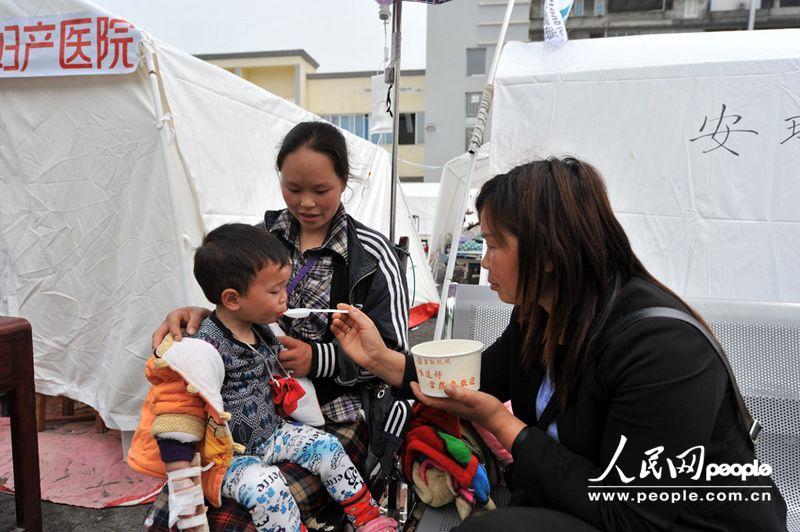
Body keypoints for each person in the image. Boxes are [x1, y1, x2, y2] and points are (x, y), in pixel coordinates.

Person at [329, 157, 788, 531]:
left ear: (545, 254)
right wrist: (380, 357)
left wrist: (504, 426)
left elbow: (632, 512)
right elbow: (474, 379)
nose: (483, 261)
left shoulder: (662, 349)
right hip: (585, 503)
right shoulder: (541, 314)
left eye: (492, 244)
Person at [148, 121, 409, 527]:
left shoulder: (373, 256)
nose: (306, 202)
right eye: (293, 188)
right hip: (247, 411)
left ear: (344, 181)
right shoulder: (257, 238)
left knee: (242, 519)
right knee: (191, 510)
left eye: (321, 190)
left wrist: (317, 358)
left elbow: (396, 357)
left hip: (335, 409)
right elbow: (231, 304)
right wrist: (199, 313)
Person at [129, 223, 397, 532]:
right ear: (232, 299)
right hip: (225, 459)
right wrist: (188, 509)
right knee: (268, 486)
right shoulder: (201, 351)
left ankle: (368, 518)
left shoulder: (261, 327)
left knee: (326, 446)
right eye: (275, 291)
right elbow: (176, 426)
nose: (286, 298)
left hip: (270, 435)